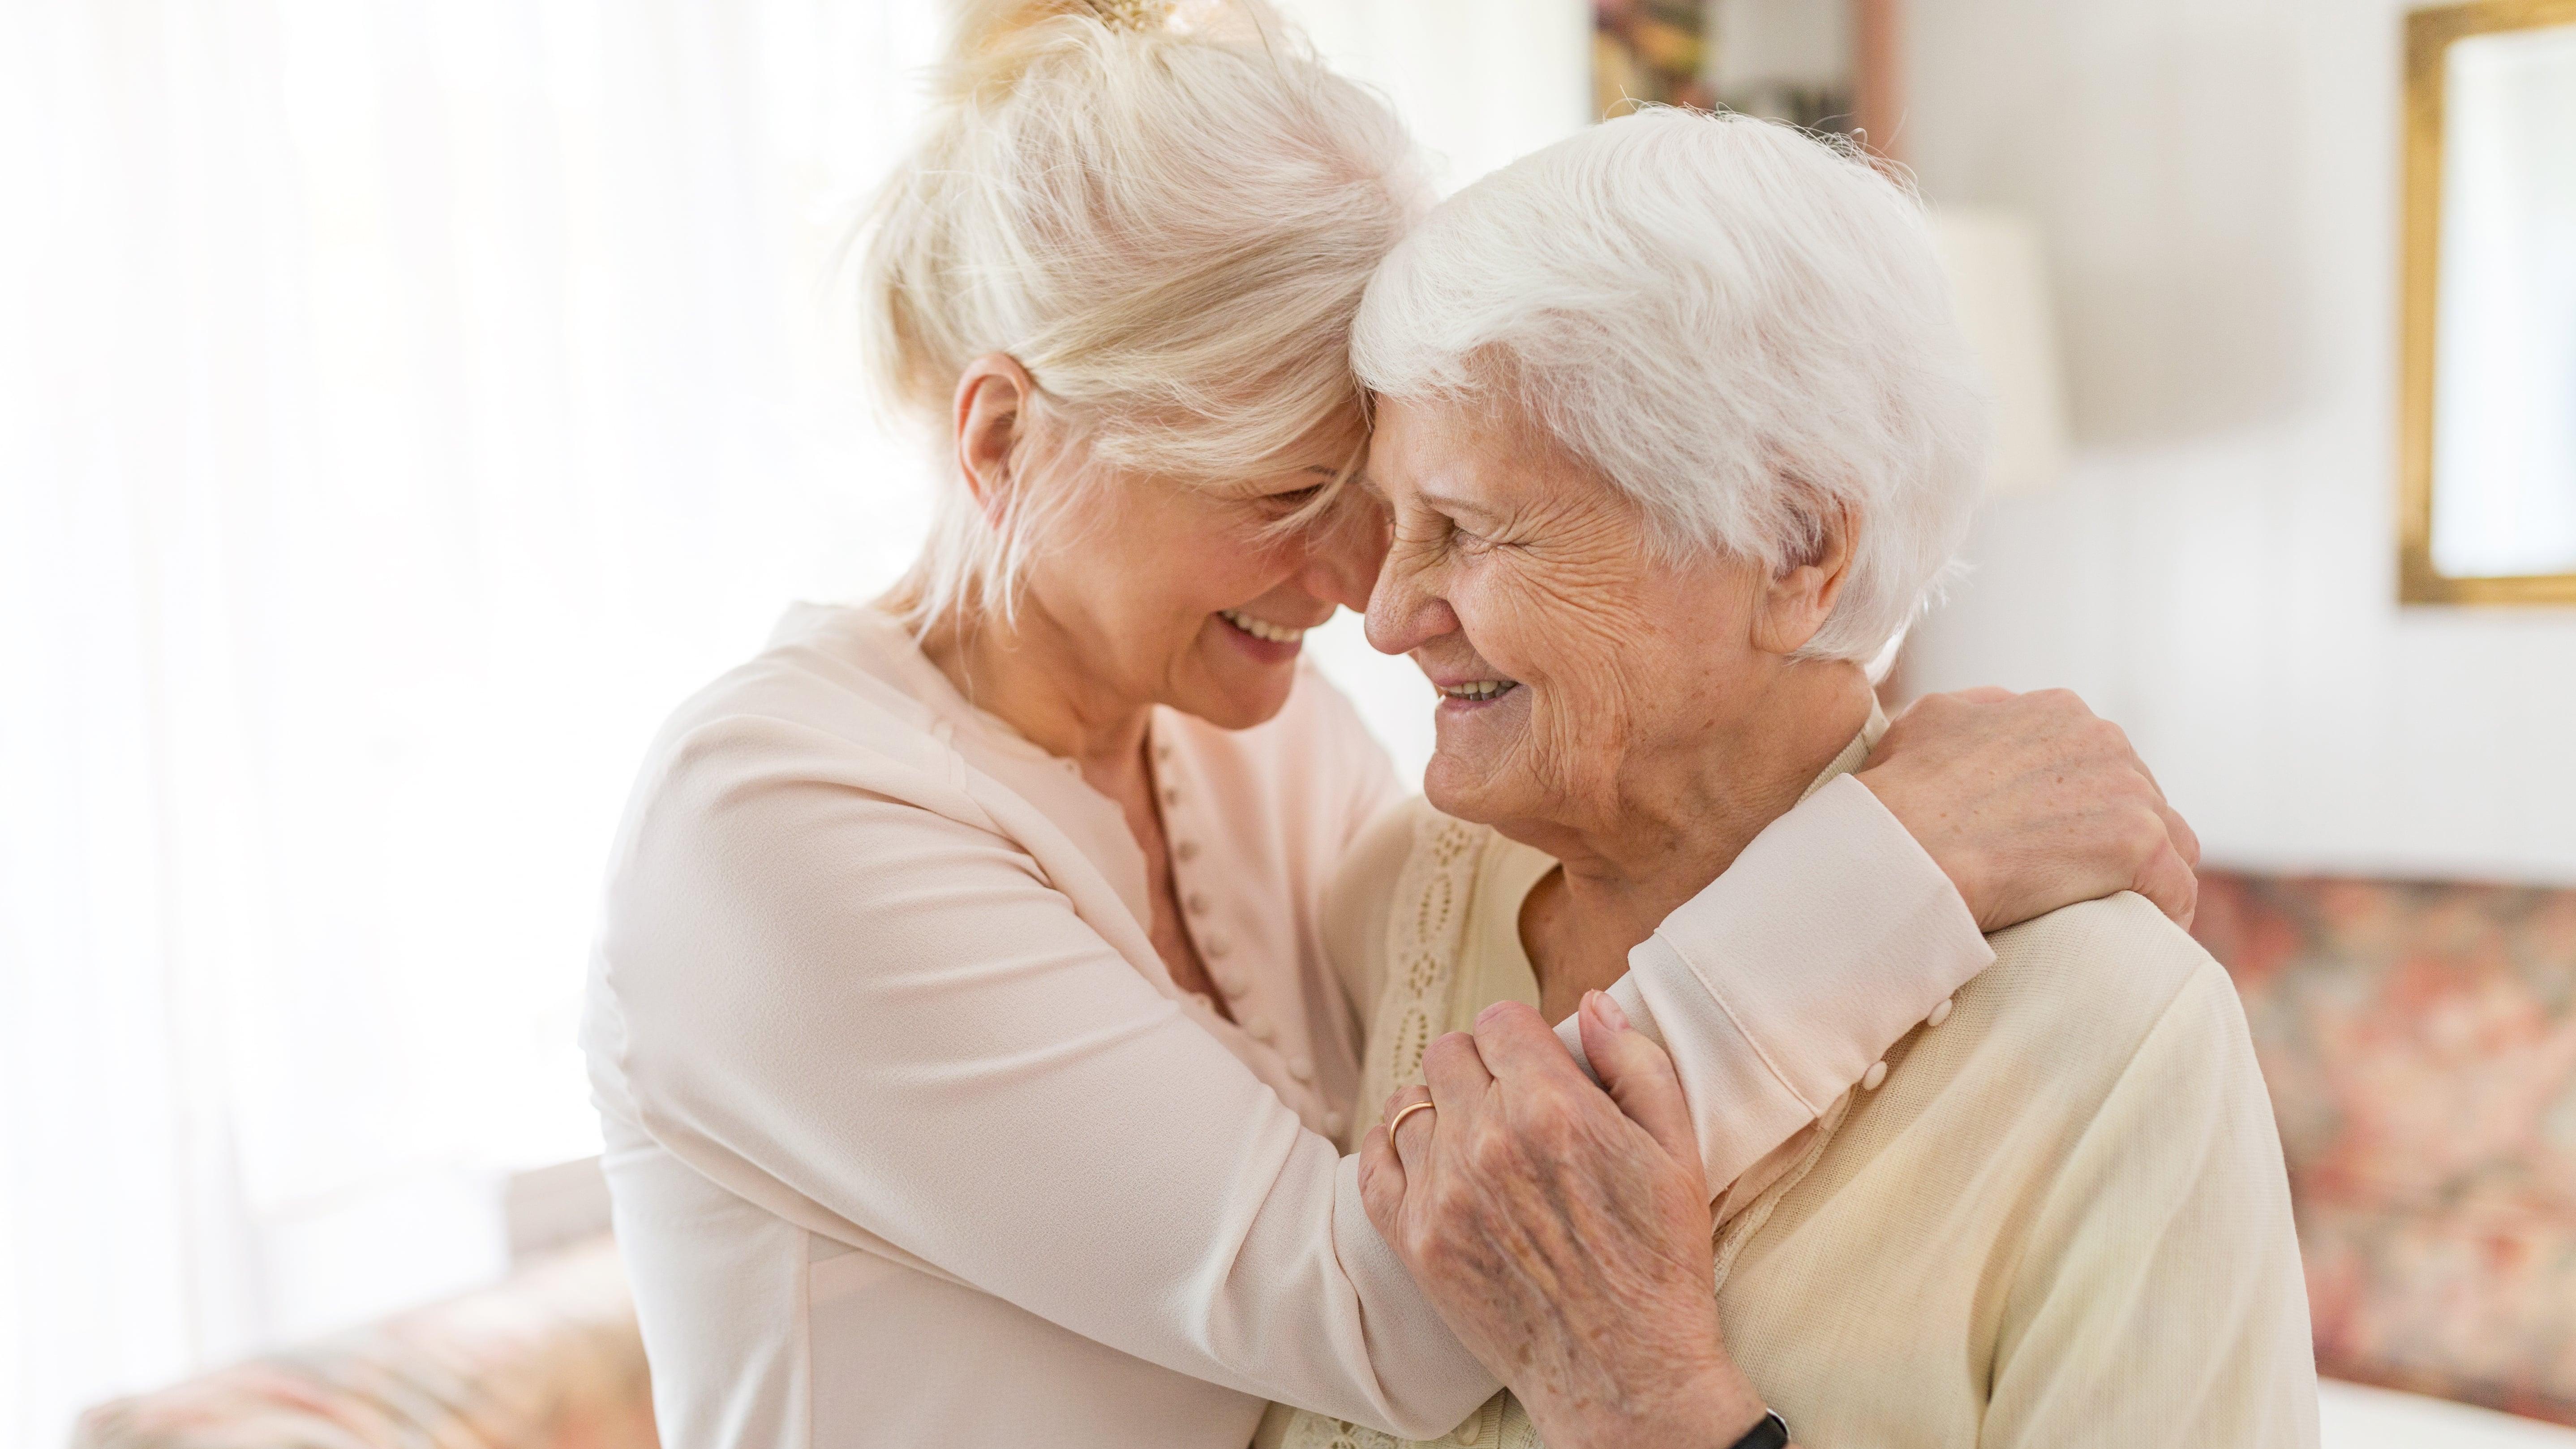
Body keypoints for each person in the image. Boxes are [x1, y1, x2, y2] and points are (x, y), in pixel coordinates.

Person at [580, 4, 2204, 1446]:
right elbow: (1390, 1304)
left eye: (1396, 498)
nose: (1365, 590)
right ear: (1005, 439)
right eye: (1289, 496)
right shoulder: (777, 827)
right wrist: (1896, 863)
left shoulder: (1249, 743)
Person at [1279, 110, 2316, 1449]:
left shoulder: (2117, 1040)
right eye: (1394, 522)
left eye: (1469, 530)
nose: (1386, 610)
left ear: (1793, 548)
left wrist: (1647, 1401)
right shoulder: (1393, 895)